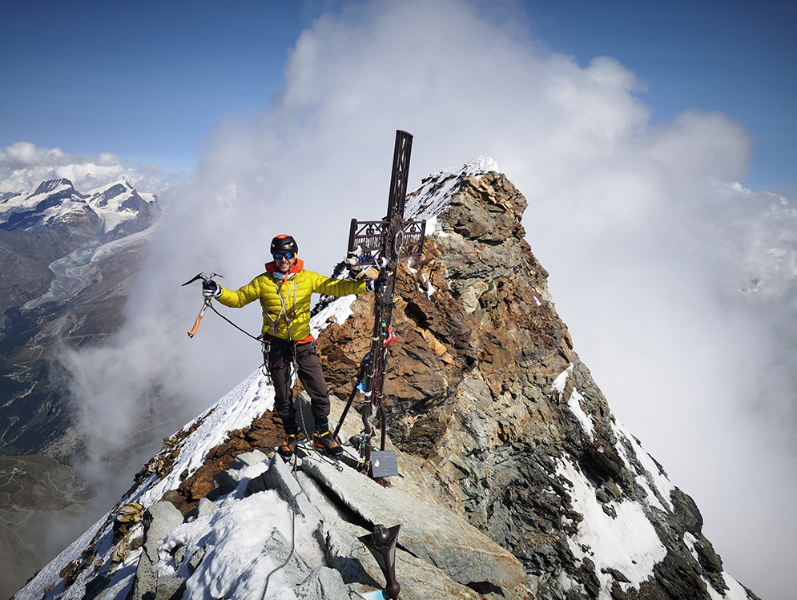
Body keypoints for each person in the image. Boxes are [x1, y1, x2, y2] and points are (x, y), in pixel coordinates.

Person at [202, 234, 384, 458]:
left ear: (295, 255)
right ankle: (291, 435)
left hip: (302, 342)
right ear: (273, 256)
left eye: (288, 254)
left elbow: (336, 287)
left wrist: (369, 285)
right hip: (276, 344)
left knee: (319, 390)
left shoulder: (307, 278)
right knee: (282, 394)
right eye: (279, 255)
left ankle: (322, 434)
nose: (283, 259)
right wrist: (219, 292)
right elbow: (239, 298)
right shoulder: (263, 282)